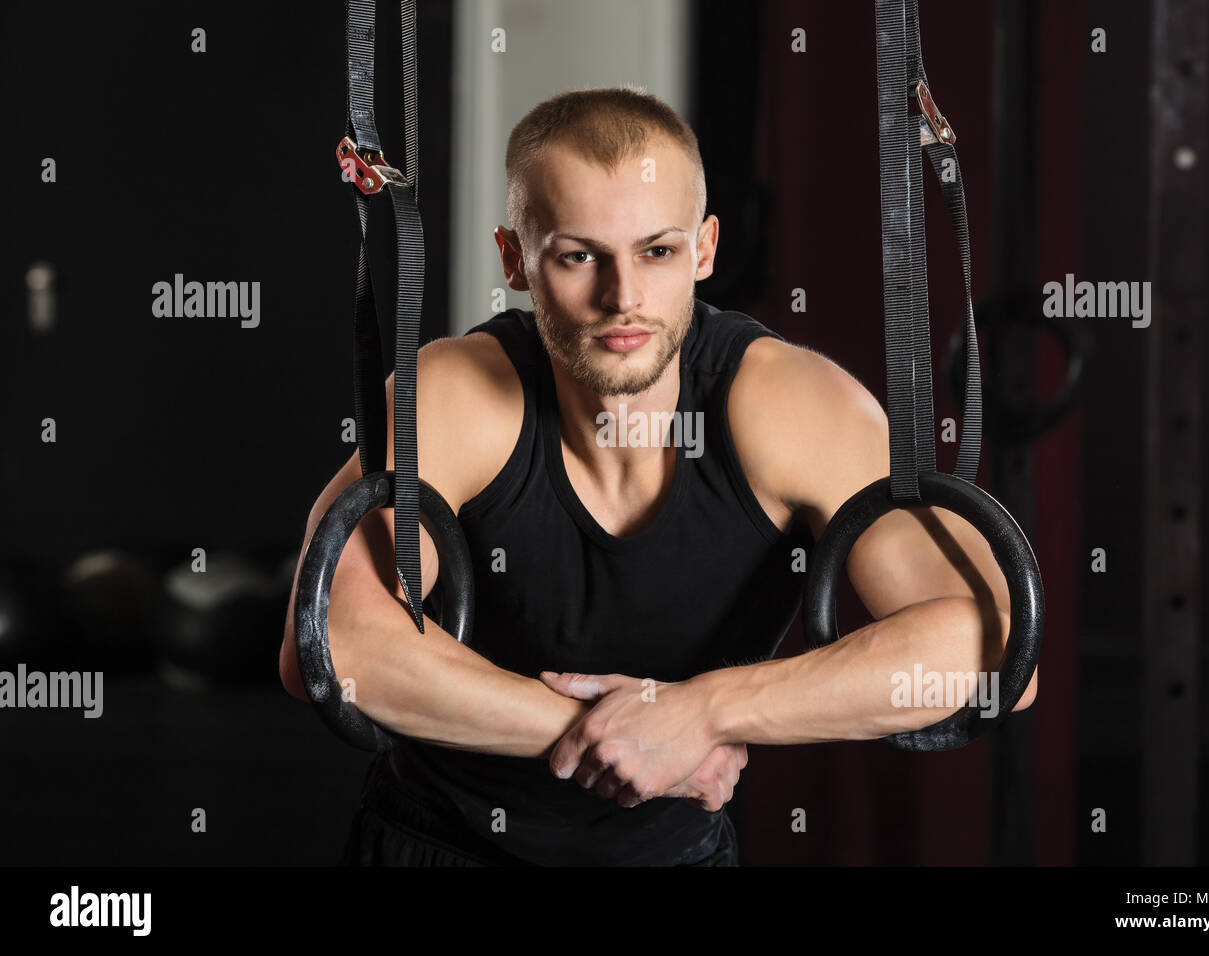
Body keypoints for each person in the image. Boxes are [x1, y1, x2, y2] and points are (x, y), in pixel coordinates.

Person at [278, 85, 1037, 867]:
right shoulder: (457, 393)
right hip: (434, 849)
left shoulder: (793, 409)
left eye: (657, 251)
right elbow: (328, 648)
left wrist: (707, 712)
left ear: (704, 249)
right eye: (579, 257)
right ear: (515, 260)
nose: (624, 299)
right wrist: (619, 734)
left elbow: (996, 649)